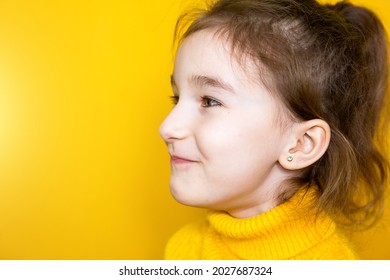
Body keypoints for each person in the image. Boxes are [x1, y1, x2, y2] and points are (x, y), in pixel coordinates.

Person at [159, 0, 389, 259]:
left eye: (210, 101)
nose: (167, 127)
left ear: (301, 144)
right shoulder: (184, 248)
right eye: (177, 99)